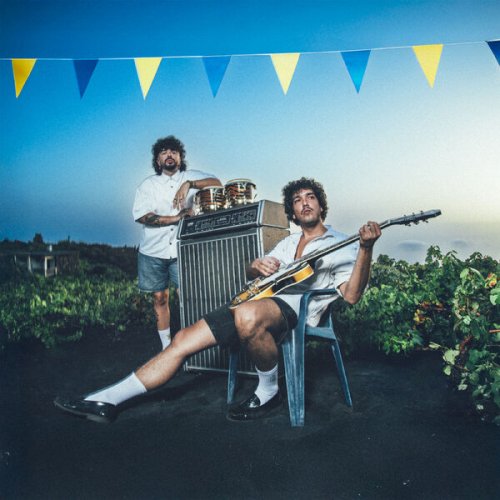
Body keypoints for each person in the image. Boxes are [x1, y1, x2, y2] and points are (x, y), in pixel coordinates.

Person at [54, 177, 381, 423]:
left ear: (321, 205)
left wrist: (366, 248)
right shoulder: (287, 243)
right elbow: (253, 273)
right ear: (292, 211)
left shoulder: (343, 242)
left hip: (296, 309)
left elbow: (352, 296)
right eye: (297, 200)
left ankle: (269, 390)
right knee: (182, 340)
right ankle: (107, 400)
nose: (305, 203)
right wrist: (256, 265)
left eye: (310, 197)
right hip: (256, 301)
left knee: (247, 316)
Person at [133, 135, 222, 350]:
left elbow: (217, 184)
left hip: (183, 250)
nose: (169, 155)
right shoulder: (148, 185)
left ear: (180, 157)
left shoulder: (190, 176)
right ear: (157, 160)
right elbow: (142, 216)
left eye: (173, 151)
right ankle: (167, 348)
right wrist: (176, 218)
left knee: (187, 297)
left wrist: (188, 184)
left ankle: (193, 344)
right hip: (152, 251)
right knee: (159, 298)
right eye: (164, 152)